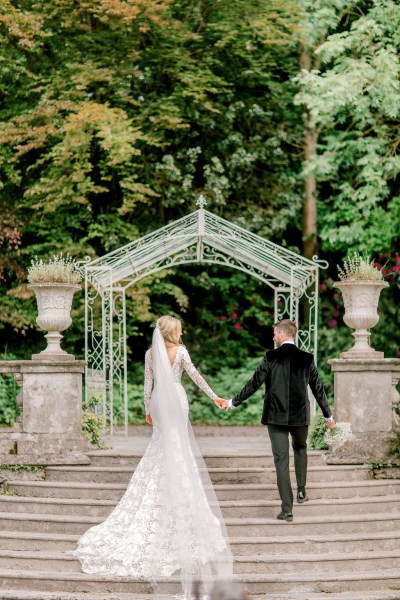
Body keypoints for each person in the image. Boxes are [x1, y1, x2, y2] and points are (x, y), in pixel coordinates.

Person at [73, 316, 232, 599]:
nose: (183, 332)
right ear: (173, 332)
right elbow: (195, 376)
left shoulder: (150, 353)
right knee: (177, 446)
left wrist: (148, 408)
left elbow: (147, 383)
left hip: (160, 400)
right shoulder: (180, 352)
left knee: (163, 444)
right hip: (177, 399)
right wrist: (215, 397)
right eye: (180, 328)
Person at [216, 319, 335, 522]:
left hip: (276, 417)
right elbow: (318, 388)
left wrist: (233, 402)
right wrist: (328, 416)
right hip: (300, 416)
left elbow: (254, 382)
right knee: (300, 448)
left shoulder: (271, 357)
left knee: (281, 461)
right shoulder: (307, 358)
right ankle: (301, 491)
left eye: (274, 334)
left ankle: (287, 510)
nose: (273, 337)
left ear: (281, 334)